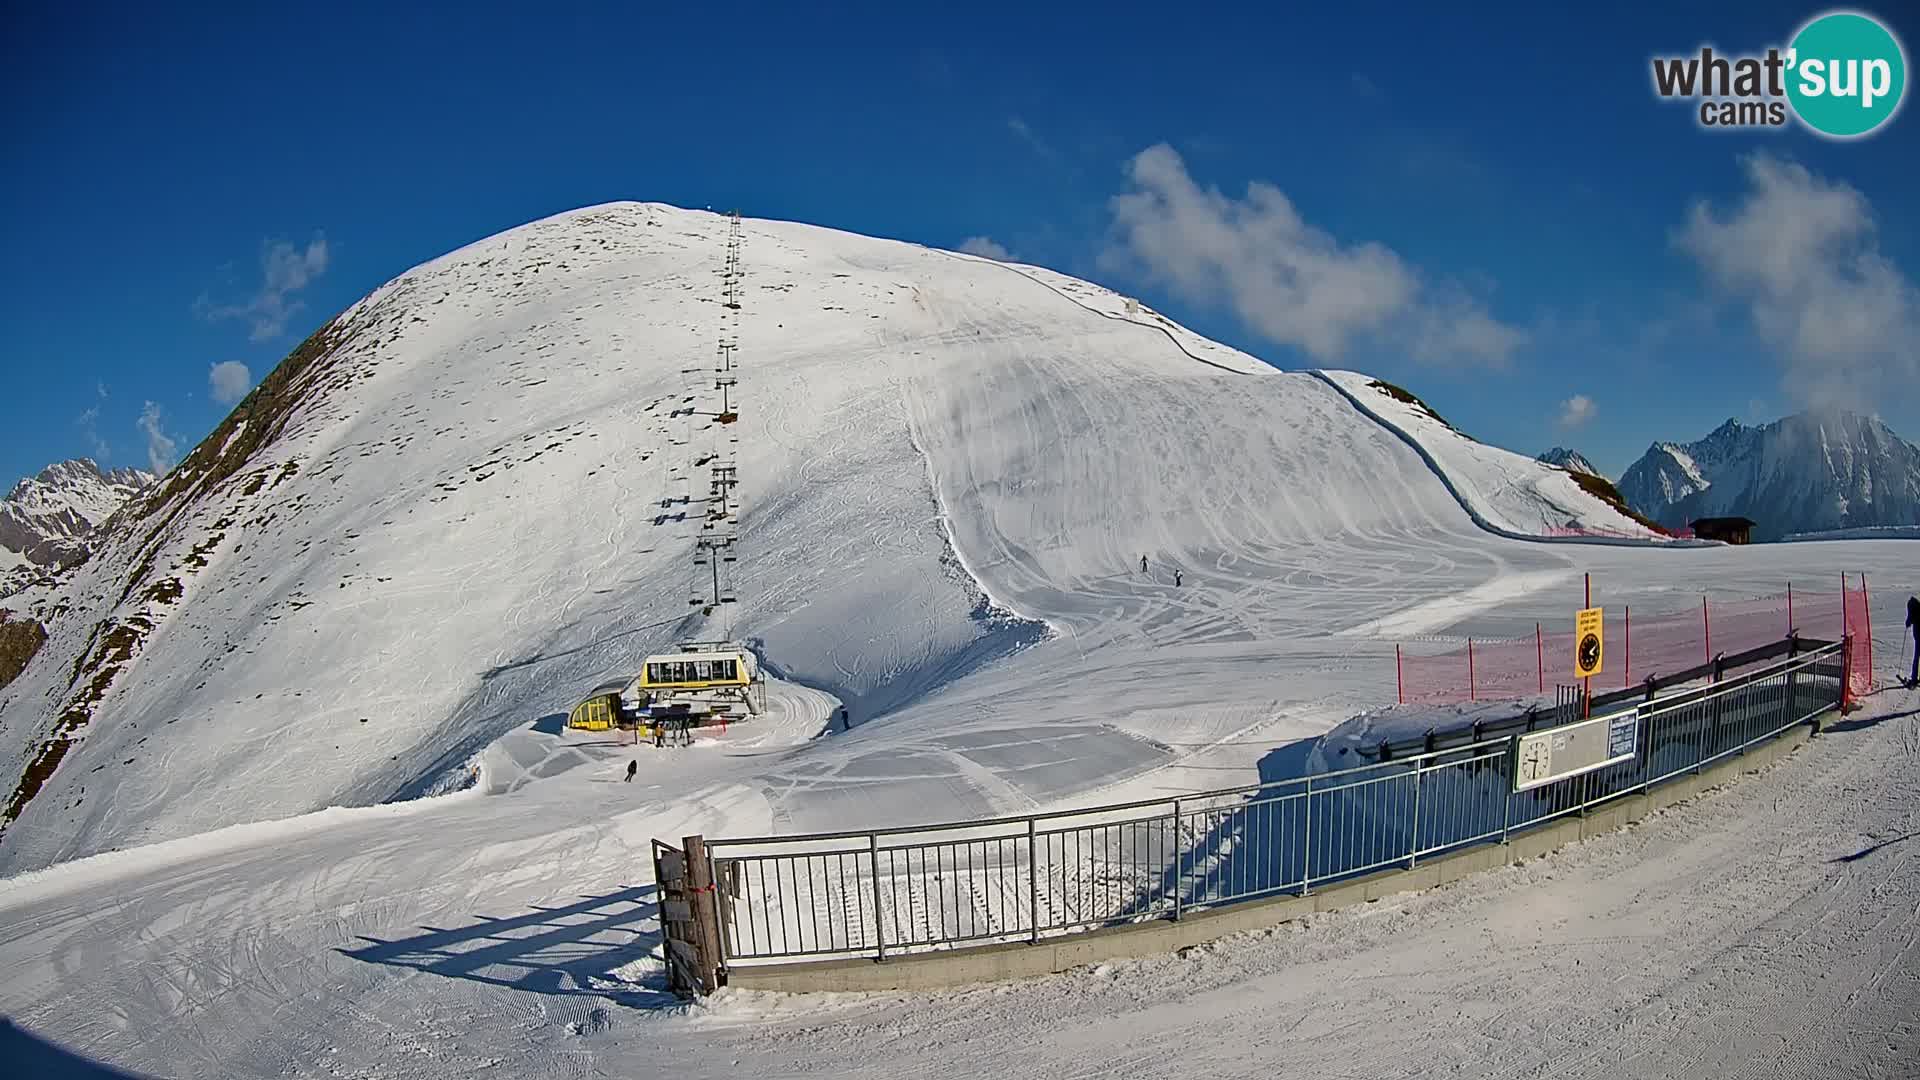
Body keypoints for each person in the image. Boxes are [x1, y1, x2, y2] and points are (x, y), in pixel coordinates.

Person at [1906, 595, 1919, 688]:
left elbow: (1910, 619)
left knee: (1916, 658)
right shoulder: (1915, 606)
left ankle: (1914, 679)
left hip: (1919, 636)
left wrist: (1908, 623)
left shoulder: (1913, 608)